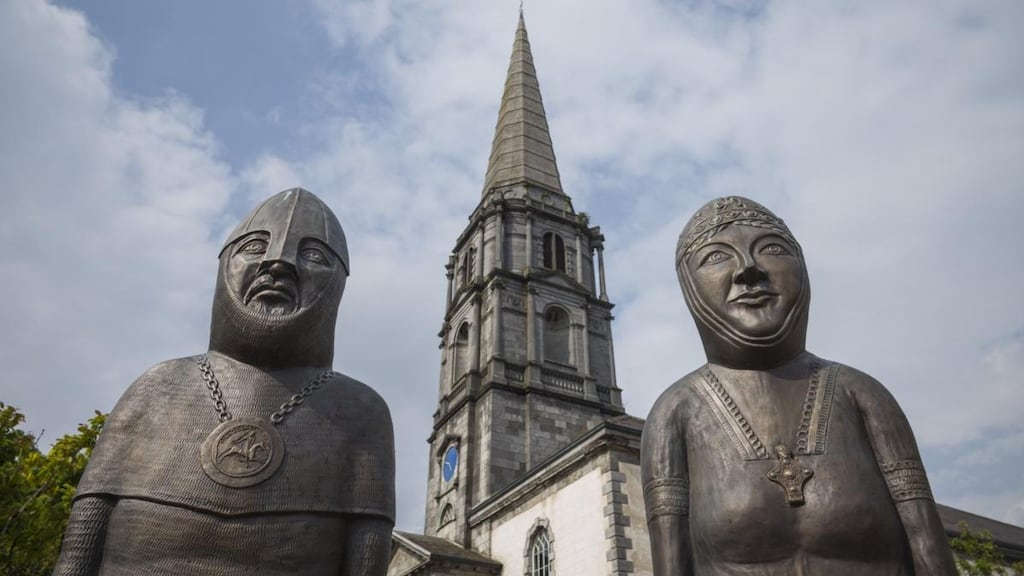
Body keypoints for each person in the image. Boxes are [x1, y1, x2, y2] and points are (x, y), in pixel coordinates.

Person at [53, 188, 395, 575]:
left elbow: (367, 561)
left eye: (313, 255)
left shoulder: (361, 412)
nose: (278, 262)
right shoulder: (156, 388)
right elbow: (78, 552)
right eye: (254, 246)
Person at [641, 196, 955, 575]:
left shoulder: (861, 393)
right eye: (716, 257)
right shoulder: (676, 411)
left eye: (772, 250)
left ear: (803, 268)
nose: (749, 270)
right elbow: (671, 565)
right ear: (689, 288)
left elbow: (929, 550)